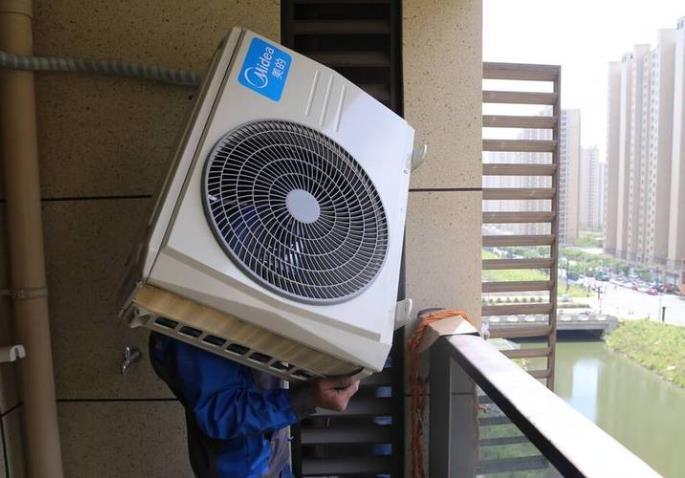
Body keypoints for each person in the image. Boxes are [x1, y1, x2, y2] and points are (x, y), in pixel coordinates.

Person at [149, 332, 360, 478]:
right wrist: (307, 397)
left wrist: (307, 397)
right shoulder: (197, 321)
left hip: (258, 460)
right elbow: (221, 413)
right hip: (247, 463)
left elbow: (222, 412)